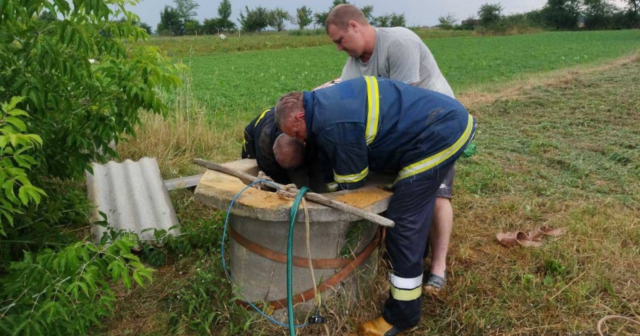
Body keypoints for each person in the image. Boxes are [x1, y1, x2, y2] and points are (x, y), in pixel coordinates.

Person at [274, 77, 475, 336]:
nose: (299, 140)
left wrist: (326, 190)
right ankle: (418, 259)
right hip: (442, 122)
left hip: (440, 134)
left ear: (300, 116)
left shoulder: (335, 124)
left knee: (402, 222)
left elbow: (353, 180)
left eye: (295, 133)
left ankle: (402, 315)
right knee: (413, 201)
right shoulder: (325, 104)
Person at [325, 4, 456, 292]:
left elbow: (399, 104)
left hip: (437, 127)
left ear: (354, 27)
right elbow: (346, 95)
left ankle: (438, 266)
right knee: (399, 191)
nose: (338, 48)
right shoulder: (355, 62)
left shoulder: (399, 43)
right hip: (403, 134)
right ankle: (406, 251)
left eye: (339, 40)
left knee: (435, 194)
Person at [242, 108, 304, 184]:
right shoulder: (264, 152)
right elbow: (276, 180)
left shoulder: (298, 130)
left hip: (278, 114)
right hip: (252, 133)